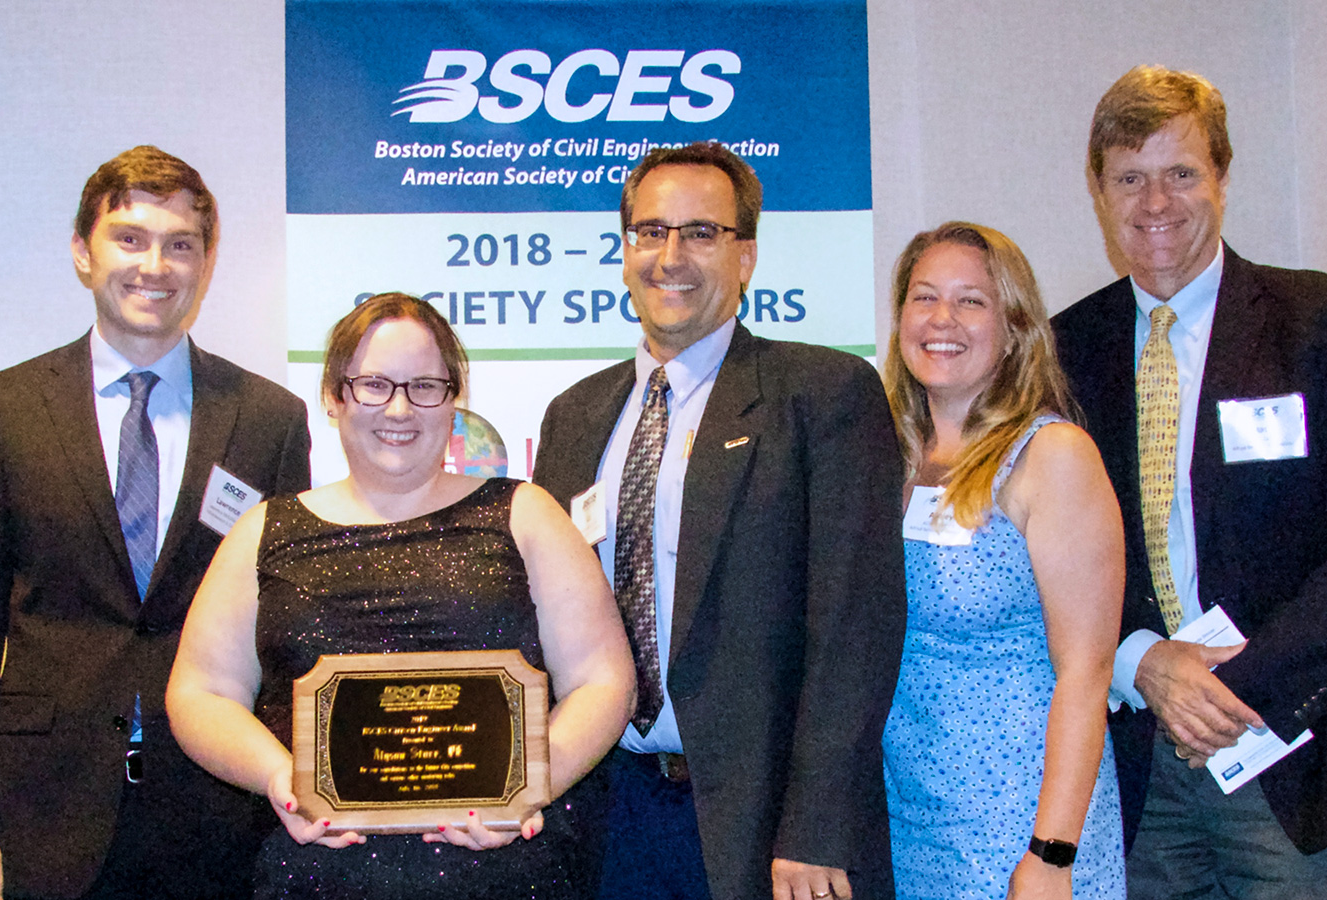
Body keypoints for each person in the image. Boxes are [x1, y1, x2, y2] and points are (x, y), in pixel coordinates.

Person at [0, 146, 312, 900]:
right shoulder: (2, 411)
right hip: (42, 805)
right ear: (82, 251)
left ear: (205, 261)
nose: (154, 265)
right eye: (129, 238)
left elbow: (286, 627)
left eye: (180, 244)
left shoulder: (269, 419)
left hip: (216, 804)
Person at [166, 292, 635, 899]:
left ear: (452, 399)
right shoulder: (262, 532)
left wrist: (531, 786)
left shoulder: (525, 515)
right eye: (374, 384)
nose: (399, 407)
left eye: (424, 385)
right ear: (336, 398)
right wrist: (281, 777)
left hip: (503, 875)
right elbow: (200, 692)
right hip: (314, 877)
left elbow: (605, 681)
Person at [531, 142, 906, 900]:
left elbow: (854, 628)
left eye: (702, 232)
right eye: (650, 231)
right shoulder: (573, 418)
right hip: (605, 815)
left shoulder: (823, 394)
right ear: (626, 247)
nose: (671, 256)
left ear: (747, 255)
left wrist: (817, 827)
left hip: (765, 827)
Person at [1053, 65, 1327, 897]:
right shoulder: (1061, 352)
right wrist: (1141, 660)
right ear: (1099, 192)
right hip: (1136, 773)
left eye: (1180, 173)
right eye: (1130, 179)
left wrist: (1236, 687)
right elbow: (1038, 551)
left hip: (1295, 753)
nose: (1155, 204)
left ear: (1222, 177)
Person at [879, 221, 1125, 899]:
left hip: (1019, 828)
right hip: (908, 823)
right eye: (924, 297)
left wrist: (1051, 854)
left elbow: (1087, 671)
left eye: (971, 301)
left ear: (1014, 325)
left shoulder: (1052, 457)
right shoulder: (883, 458)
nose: (942, 319)